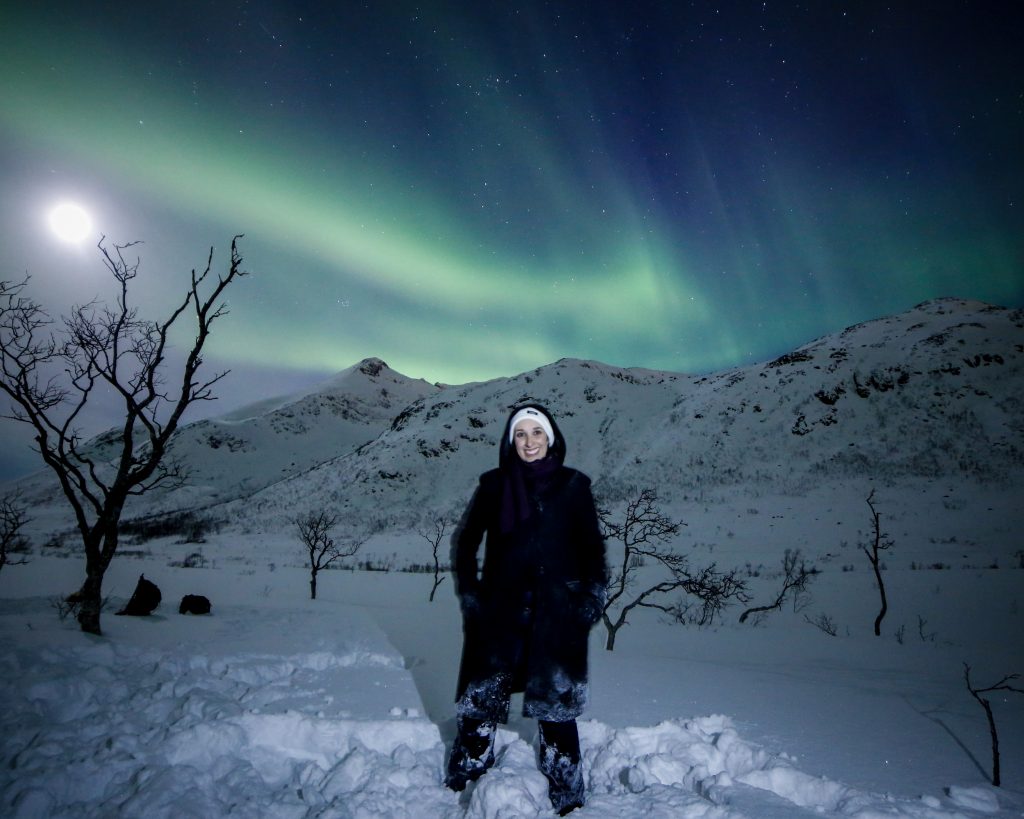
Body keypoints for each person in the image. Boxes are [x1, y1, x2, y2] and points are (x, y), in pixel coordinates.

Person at [445, 403, 608, 815]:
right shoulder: (494, 485)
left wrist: (590, 598)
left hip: (557, 615)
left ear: (550, 438)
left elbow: (592, 549)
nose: (529, 442)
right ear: (510, 440)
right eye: (521, 434)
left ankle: (567, 799)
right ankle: (464, 784)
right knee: (480, 705)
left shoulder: (574, 486)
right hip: (500, 613)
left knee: (556, 711)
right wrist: (471, 593)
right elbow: (465, 542)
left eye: (537, 433)